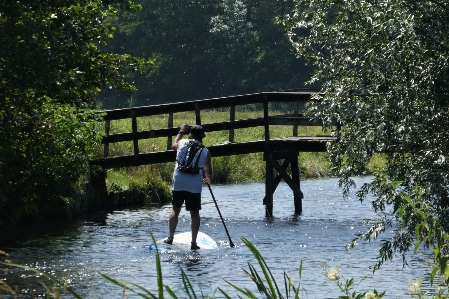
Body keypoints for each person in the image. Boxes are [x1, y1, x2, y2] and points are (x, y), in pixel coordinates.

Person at [164, 124, 212, 250]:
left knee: (175, 209)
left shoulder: (182, 142)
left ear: (190, 134)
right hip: (194, 184)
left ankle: (170, 237)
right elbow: (208, 171)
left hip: (179, 181)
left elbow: (173, 146)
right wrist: (208, 179)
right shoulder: (205, 151)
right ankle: (194, 242)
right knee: (194, 214)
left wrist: (181, 131)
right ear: (202, 137)